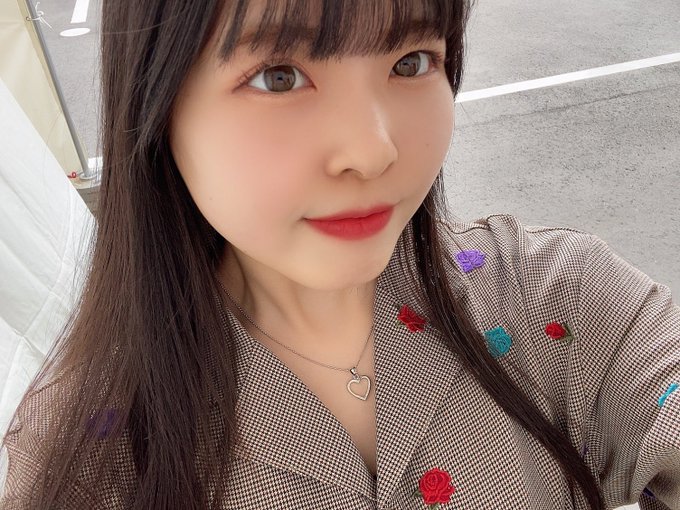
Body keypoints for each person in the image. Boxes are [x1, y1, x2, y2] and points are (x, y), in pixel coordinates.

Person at [1, 0, 678, 508]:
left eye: (411, 61)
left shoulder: (552, 299)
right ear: (157, 104)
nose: (373, 149)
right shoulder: (86, 450)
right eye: (279, 76)